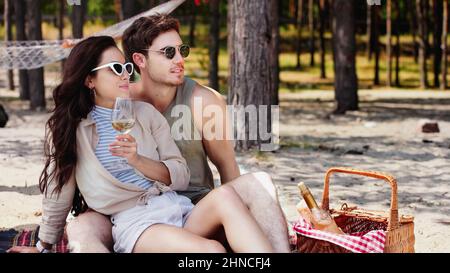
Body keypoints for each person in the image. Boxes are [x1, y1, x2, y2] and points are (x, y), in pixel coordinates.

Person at [7, 36, 273, 253]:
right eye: (115, 69)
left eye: (126, 68)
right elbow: (58, 192)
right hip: (136, 222)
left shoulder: (145, 114)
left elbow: (181, 176)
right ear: (89, 80)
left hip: (176, 207)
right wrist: (43, 245)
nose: (125, 75)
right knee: (212, 251)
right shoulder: (72, 131)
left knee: (226, 196)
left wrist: (139, 161)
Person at [61, 14, 290, 253]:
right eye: (169, 52)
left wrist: (239, 217)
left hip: (193, 206)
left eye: (183, 50)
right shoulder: (121, 101)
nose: (180, 60)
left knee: (259, 182)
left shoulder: (204, 102)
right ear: (140, 59)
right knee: (82, 227)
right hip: (130, 212)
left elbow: (227, 169)